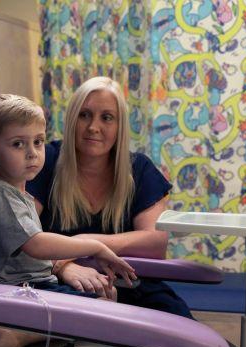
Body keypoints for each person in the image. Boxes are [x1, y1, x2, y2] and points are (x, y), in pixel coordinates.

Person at [0, 94, 136, 347]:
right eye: (18, 144)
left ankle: (31, 331)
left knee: (105, 302)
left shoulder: (16, 194)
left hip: (33, 287)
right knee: (107, 314)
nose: (32, 152)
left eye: (38, 142)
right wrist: (96, 246)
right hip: (12, 294)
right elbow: (36, 245)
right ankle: (21, 334)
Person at [27, 76, 194, 319]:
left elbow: (155, 244)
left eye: (106, 117)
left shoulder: (140, 169)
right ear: (72, 119)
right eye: (84, 115)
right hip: (59, 285)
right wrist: (63, 266)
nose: (93, 127)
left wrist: (84, 242)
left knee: (189, 339)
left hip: (133, 285)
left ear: (120, 126)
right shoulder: (45, 160)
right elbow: (21, 237)